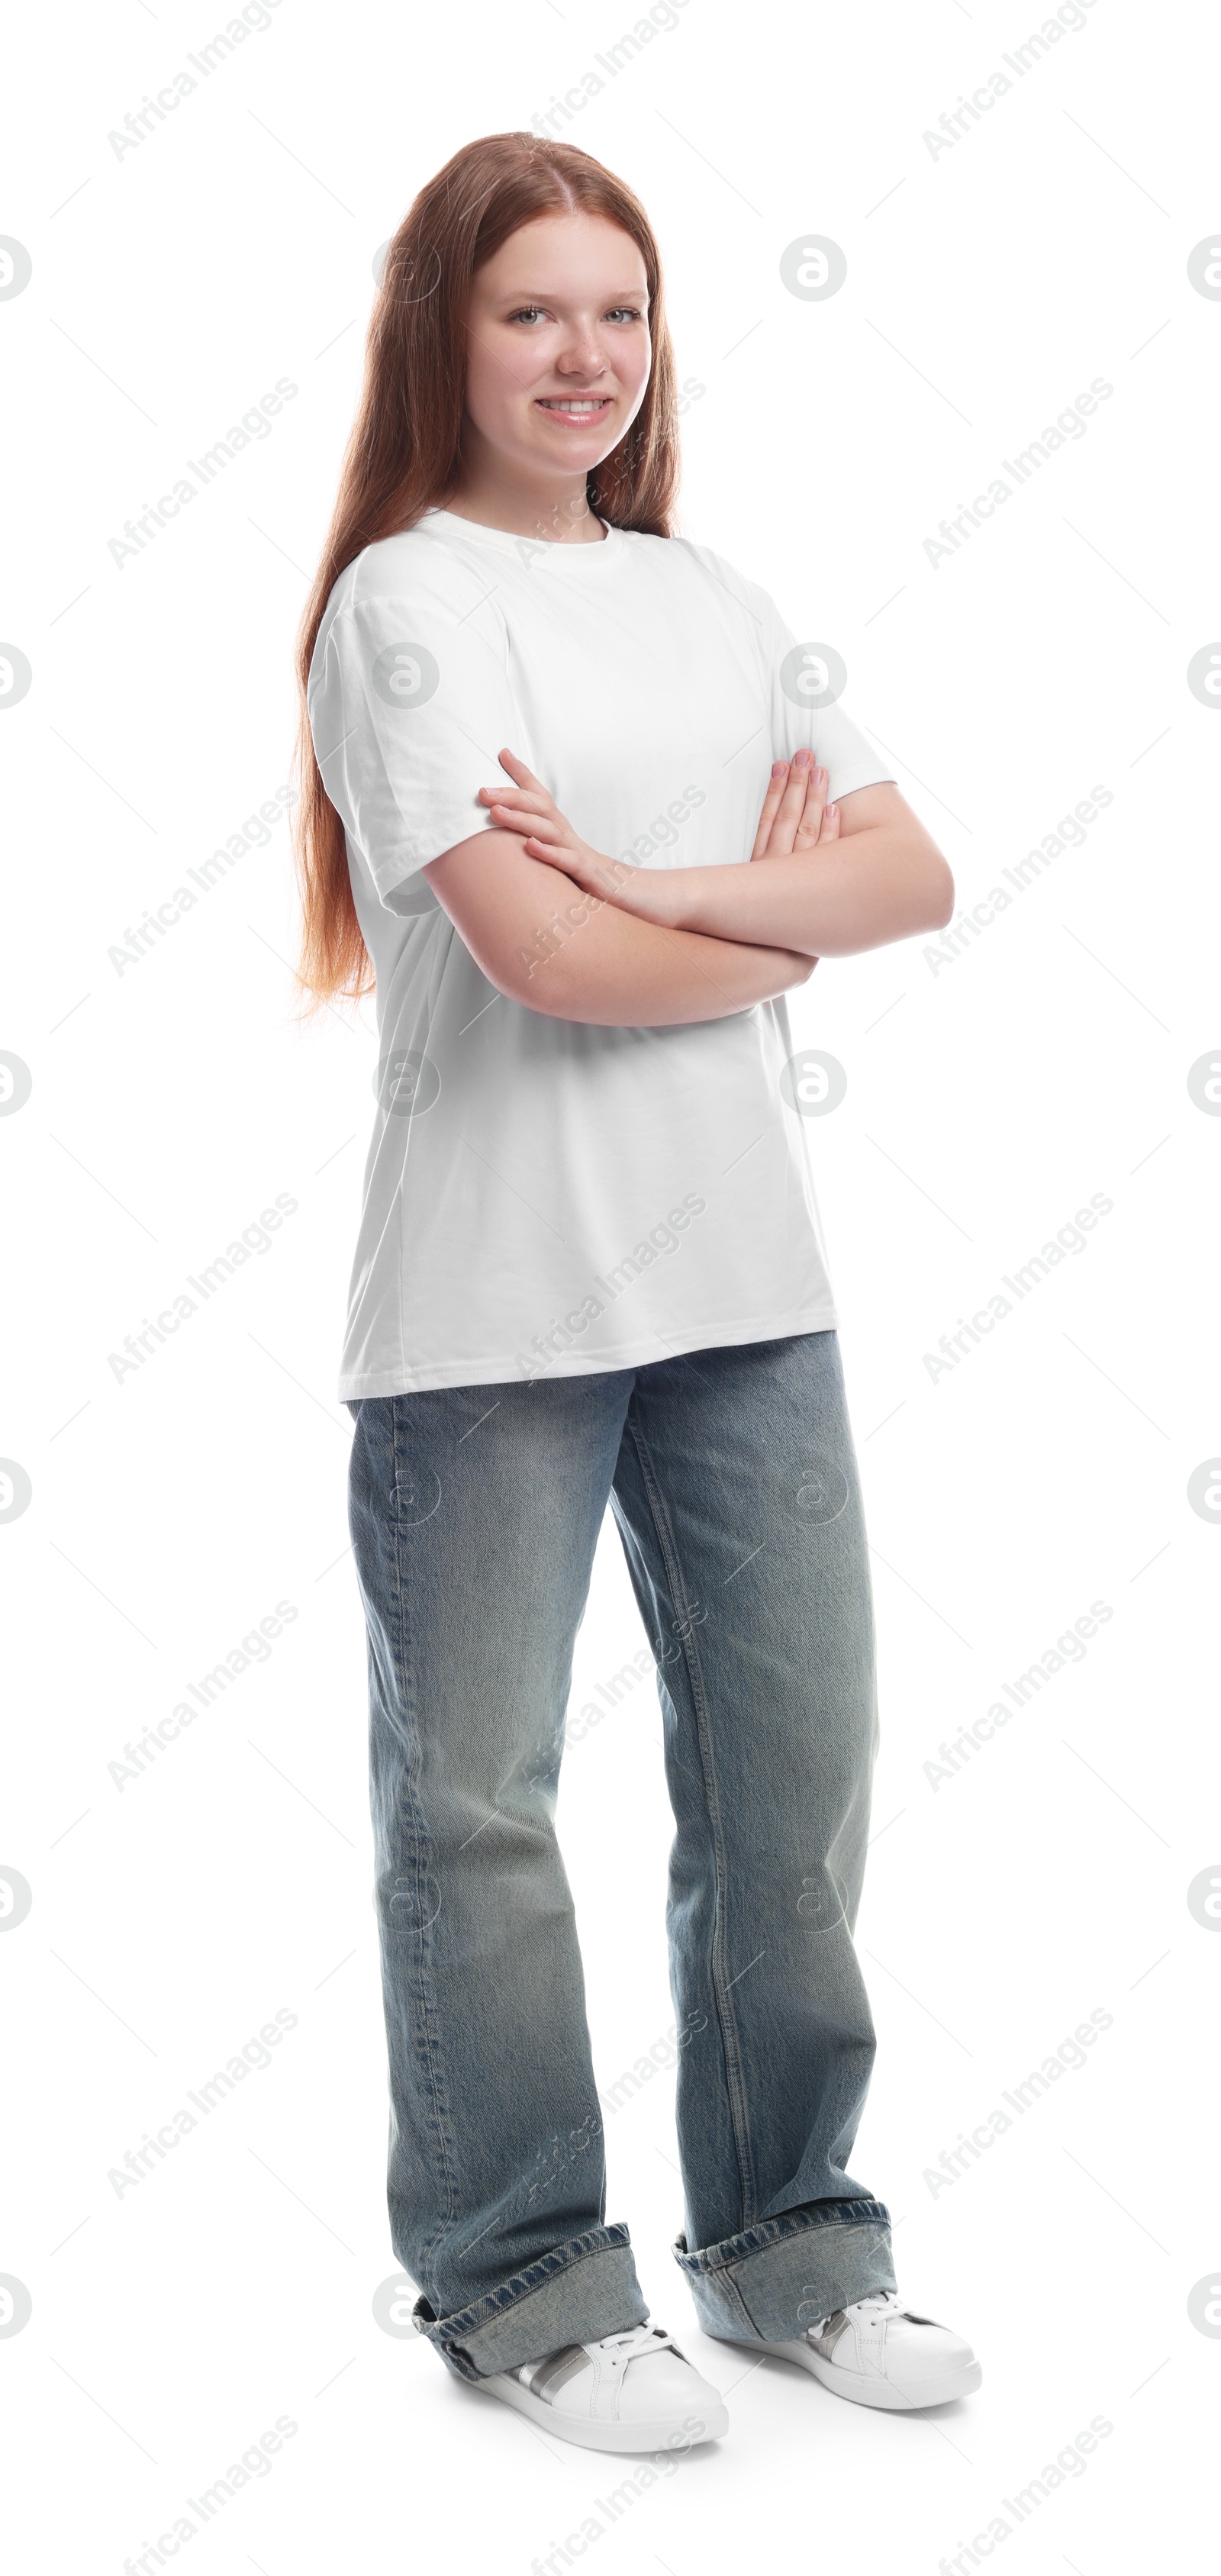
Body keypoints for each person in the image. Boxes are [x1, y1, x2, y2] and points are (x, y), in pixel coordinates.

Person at [295, 130, 981, 2457]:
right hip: (491, 1307)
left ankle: (795, 2246)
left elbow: (919, 871)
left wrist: (683, 887)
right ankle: (521, 2285)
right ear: (446, 340)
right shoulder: (409, 605)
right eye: (530, 313)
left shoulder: (709, 595)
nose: (585, 356)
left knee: (792, 1783)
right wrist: (766, 915)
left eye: (621, 309)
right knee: (475, 1807)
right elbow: (549, 959)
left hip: (744, 1290)